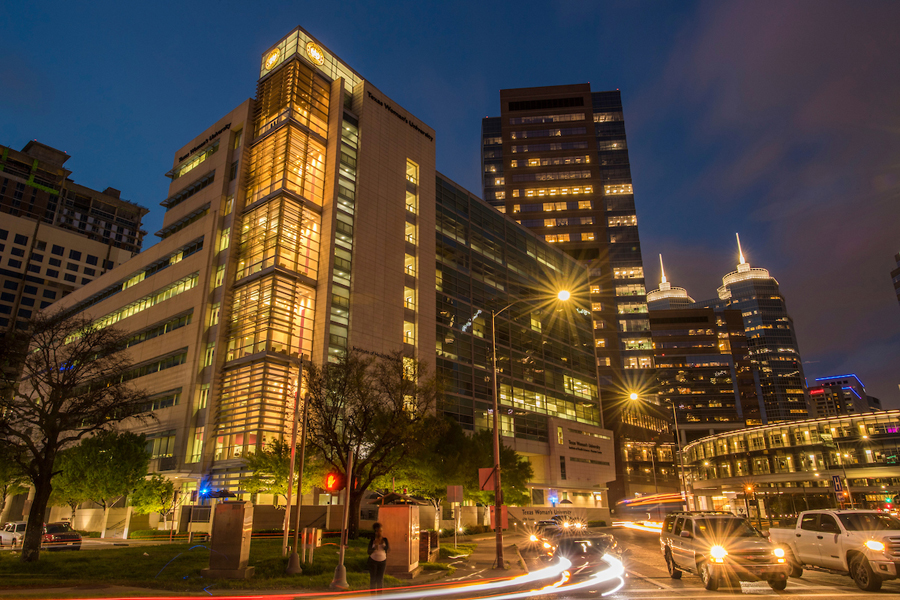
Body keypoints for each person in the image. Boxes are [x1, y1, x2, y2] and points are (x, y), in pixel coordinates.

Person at [367, 522, 390, 591]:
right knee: (373, 579)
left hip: (382, 561)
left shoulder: (385, 540)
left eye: (381, 531)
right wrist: (374, 546)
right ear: (375, 532)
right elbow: (368, 552)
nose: (379, 533)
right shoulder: (372, 540)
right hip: (373, 561)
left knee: (380, 579)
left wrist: (383, 545)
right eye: (378, 531)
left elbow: (387, 549)